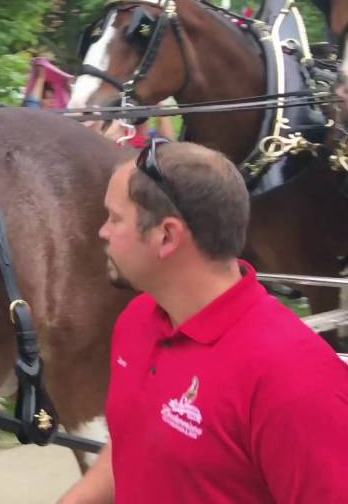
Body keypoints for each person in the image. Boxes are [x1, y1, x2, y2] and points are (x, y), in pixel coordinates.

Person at [59, 140, 348, 503]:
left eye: (115, 218)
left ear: (167, 236)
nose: (103, 232)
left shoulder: (294, 379)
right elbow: (132, 441)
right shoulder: (137, 320)